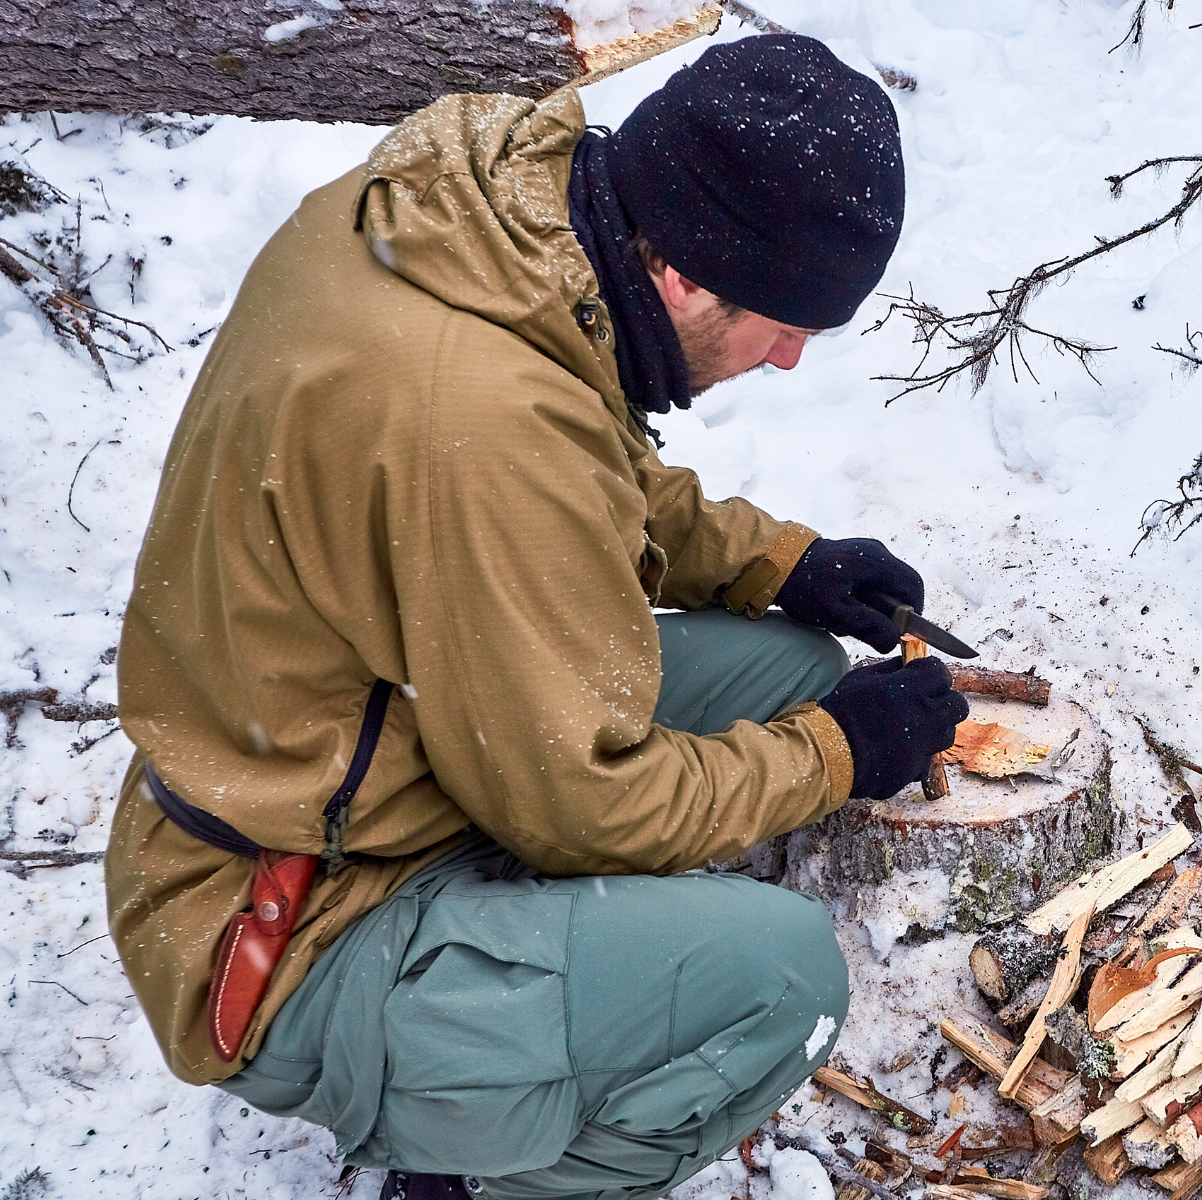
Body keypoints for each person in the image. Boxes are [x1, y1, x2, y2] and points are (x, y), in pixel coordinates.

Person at [104, 35, 968, 1200]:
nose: (792, 358)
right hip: (292, 915)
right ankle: (477, 1169)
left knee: (788, 668)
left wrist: (781, 563)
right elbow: (585, 806)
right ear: (686, 275)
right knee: (782, 981)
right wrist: (839, 754)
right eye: (782, 320)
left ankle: (541, 1002)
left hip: (361, 754)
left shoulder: (487, 225)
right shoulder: (480, 422)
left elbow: (573, 463)